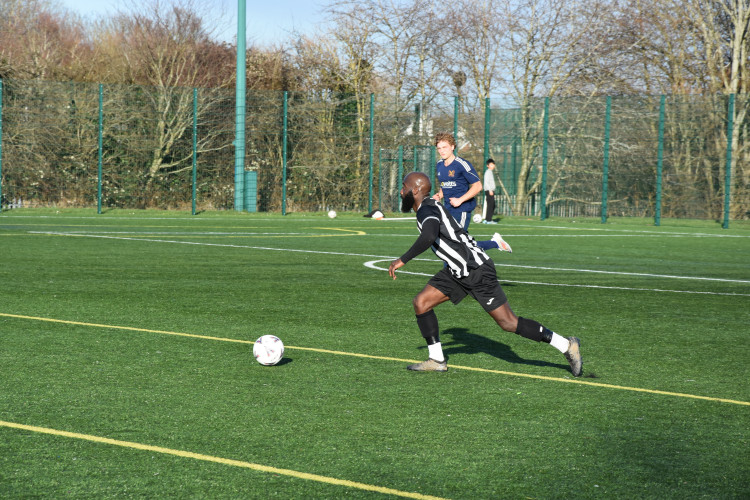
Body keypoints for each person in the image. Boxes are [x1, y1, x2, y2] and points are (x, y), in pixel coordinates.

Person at [388, 171, 582, 376]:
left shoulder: (426, 210)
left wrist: (402, 260)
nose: (401, 191)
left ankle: (567, 345)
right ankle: (437, 360)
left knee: (508, 323)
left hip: (476, 270)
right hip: (457, 271)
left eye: (404, 186)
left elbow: (428, 235)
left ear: (416, 190)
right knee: (421, 303)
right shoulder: (429, 207)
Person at [431, 132, 510, 252]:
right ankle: (495, 243)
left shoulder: (462, 164)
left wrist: (460, 200)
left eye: (445, 147)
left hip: (462, 209)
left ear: (453, 146)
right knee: (455, 243)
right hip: (447, 208)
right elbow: (445, 184)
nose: (442, 151)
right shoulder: (439, 165)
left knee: (454, 243)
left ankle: (449, 270)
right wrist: (440, 195)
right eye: (439, 148)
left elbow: (477, 186)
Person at [482, 158, 497, 224]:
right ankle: (489, 220)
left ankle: (487, 219)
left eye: (493, 164)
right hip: (489, 191)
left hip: (490, 191)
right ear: (488, 165)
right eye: (491, 164)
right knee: (491, 205)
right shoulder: (488, 172)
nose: (493, 166)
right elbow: (486, 182)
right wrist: (490, 190)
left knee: (491, 205)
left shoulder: (490, 172)